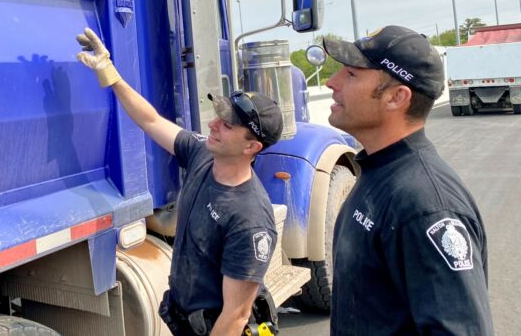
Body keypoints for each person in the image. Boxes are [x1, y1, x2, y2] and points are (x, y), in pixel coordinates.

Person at [76, 27, 283, 336]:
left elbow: (235, 317)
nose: (212, 125)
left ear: (252, 147)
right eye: (218, 116)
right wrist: (111, 74)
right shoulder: (202, 155)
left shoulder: (249, 218)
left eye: (226, 125)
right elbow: (151, 120)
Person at [323, 25, 493, 335]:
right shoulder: (379, 173)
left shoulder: (425, 205)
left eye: (351, 75)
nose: (330, 82)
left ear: (396, 97)